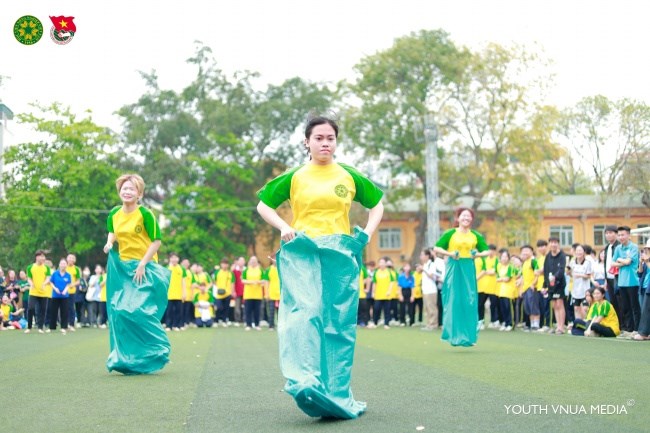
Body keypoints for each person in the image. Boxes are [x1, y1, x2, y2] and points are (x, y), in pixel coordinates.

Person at [256, 114, 383, 419]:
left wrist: (366, 234)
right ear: (307, 142)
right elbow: (263, 205)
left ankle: (336, 391)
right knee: (306, 310)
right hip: (304, 251)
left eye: (330, 138)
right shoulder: (296, 176)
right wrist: (284, 227)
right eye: (319, 138)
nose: (325, 143)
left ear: (336, 142)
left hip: (339, 253)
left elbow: (377, 204)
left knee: (337, 321)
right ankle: (306, 380)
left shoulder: (348, 175)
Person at [103, 173, 171, 375]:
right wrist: (110, 242)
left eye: (131, 189)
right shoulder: (114, 213)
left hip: (145, 267)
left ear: (139, 194)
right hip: (123, 268)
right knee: (118, 311)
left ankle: (158, 348)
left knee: (137, 310)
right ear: (119, 192)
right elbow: (113, 231)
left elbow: (156, 241)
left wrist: (142, 264)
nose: (127, 191)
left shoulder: (145, 214)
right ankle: (126, 359)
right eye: (124, 188)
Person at [433, 208, 489, 346]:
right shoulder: (450, 233)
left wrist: (477, 254)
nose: (466, 218)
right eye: (463, 215)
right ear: (458, 218)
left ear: (472, 219)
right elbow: (436, 248)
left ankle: (469, 337)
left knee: (470, 300)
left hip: (468, 267)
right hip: (454, 266)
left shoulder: (475, 235)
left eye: (469, 216)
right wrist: (450, 254)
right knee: (454, 299)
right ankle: (453, 335)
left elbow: (486, 251)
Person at [611, 226, 640, 335]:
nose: (621, 237)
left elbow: (628, 262)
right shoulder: (618, 248)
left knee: (635, 306)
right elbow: (612, 263)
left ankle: (637, 329)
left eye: (623, 235)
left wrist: (619, 260)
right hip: (622, 282)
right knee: (626, 307)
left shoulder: (634, 247)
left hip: (633, 281)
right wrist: (622, 262)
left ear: (628, 235)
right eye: (619, 235)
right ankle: (629, 329)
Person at [543, 237, 567, 334]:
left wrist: (555, 277)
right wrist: (545, 284)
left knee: (559, 304)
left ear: (558, 244)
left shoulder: (562, 255)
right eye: (551, 242)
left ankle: (561, 327)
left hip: (559, 284)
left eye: (555, 242)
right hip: (550, 284)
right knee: (554, 305)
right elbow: (545, 270)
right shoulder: (548, 256)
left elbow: (561, 269)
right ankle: (558, 326)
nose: (553, 244)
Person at [25, 250, 52, 334]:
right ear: (37, 257)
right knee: (31, 308)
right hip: (33, 292)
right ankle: (29, 327)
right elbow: (29, 278)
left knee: (43, 310)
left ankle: (40, 327)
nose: (43, 258)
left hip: (44, 292)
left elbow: (48, 278)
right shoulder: (30, 267)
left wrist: (44, 283)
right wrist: (31, 284)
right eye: (41, 256)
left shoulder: (46, 268)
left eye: (44, 256)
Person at [602, 224, 622, 325]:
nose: (608, 235)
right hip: (609, 278)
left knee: (620, 302)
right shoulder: (607, 247)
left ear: (616, 234)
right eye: (606, 233)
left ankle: (625, 326)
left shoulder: (619, 246)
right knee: (613, 302)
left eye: (610, 233)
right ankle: (617, 325)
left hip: (617, 278)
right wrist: (606, 279)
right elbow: (606, 264)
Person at [47, 258, 72, 334]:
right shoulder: (55, 274)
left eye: (64, 264)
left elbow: (68, 284)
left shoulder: (68, 275)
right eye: (61, 264)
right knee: (53, 311)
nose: (63, 265)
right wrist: (55, 288)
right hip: (55, 296)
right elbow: (51, 282)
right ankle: (52, 327)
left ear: (66, 265)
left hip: (65, 296)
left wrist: (65, 290)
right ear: (59, 265)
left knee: (64, 312)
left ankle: (64, 327)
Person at [476, 245, 498, 330]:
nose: (490, 252)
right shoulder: (484, 259)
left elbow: (493, 271)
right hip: (483, 286)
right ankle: (481, 321)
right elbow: (483, 270)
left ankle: (493, 321)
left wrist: (486, 272)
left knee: (494, 304)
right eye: (489, 250)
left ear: (495, 251)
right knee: (480, 304)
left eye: (492, 250)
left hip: (493, 286)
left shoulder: (497, 260)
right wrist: (486, 272)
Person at [242, 256, 266, 331]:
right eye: (252, 260)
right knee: (248, 310)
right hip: (248, 294)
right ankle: (248, 324)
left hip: (257, 294)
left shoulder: (260, 270)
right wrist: (251, 282)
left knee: (257, 311)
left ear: (257, 262)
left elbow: (264, 280)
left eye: (254, 261)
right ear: (249, 261)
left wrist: (258, 282)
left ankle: (257, 324)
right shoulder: (246, 270)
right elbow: (243, 280)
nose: (253, 262)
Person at [568, 244, 592, 321]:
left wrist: (580, 275)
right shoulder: (572, 262)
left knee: (585, 308)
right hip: (575, 289)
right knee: (576, 308)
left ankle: (585, 323)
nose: (578, 252)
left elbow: (589, 275)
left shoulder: (587, 262)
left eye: (580, 250)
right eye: (577, 251)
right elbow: (570, 274)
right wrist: (568, 272)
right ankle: (578, 324)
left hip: (585, 289)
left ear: (584, 252)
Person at [519, 245, 540, 331]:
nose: (525, 252)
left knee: (534, 306)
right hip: (525, 288)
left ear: (531, 251)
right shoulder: (525, 263)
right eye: (523, 251)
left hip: (531, 287)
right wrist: (521, 289)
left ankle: (536, 324)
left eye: (526, 250)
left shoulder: (533, 261)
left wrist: (533, 284)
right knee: (528, 307)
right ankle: (532, 324)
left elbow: (537, 274)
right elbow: (523, 277)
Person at [369, 258, 394, 329]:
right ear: (379, 264)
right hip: (378, 295)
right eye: (380, 262)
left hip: (386, 295)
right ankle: (375, 323)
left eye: (383, 262)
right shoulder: (376, 272)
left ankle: (386, 324)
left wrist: (389, 291)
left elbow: (392, 282)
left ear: (385, 264)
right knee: (376, 309)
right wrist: (373, 292)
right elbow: (374, 283)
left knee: (387, 310)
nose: (382, 264)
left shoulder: (389, 272)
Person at [166, 252, 187, 332]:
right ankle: (168, 326)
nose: (174, 259)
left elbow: (184, 281)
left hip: (179, 294)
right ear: (169, 259)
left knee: (179, 311)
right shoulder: (167, 268)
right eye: (172, 258)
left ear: (178, 259)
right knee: (169, 311)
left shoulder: (182, 269)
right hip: (169, 294)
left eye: (176, 257)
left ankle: (177, 325)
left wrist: (184, 293)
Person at [633, 240, 650, 340]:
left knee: (646, 311)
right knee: (644, 310)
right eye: (646, 249)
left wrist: (647, 261)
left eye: (648, 249)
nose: (646, 250)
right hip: (644, 287)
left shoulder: (648, 260)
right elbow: (639, 273)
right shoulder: (646, 260)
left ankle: (643, 333)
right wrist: (641, 262)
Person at [496, 250, 516, 331]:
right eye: (502, 257)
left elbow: (507, 279)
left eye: (506, 257)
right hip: (501, 291)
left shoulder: (511, 267)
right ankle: (505, 322)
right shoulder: (499, 267)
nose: (504, 258)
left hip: (509, 291)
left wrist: (501, 279)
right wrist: (501, 279)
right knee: (503, 308)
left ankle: (510, 323)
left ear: (508, 258)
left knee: (508, 307)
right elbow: (497, 277)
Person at [420, 249, 439, 331]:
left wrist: (424, 269)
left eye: (422, 255)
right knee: (427, 308)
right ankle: (428, 323)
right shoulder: (424, 265)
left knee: (432, 308)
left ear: (427, 256)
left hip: (431, 290)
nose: (421, 257)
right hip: (425, 290)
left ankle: (433, 324)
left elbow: (432, 276)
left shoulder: (432, 264)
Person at [213, 258, 235, 327]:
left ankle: (224, 320)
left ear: (228, 265)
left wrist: (232, 291)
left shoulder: (230, 273)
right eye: (223, 264)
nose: (224, 265)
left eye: (226, 264)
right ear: (221, 264)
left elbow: (232, 283)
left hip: (227, 293)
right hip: (219, 293)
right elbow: (214, 281)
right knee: (219, 307)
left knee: (226, 308)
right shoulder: (217, 272)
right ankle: (216, 320)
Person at [65, 254, 82, 331]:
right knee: (64, 308)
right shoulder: (63, 267)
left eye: (72, 258)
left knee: (71, 307)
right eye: (69, 258)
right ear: (67, 259)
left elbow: (78, 281)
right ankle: (64, 323)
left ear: (74, 260)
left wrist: (73, 284)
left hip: (72, 291)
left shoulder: (76, 269)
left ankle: (71, 324)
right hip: (63, 291)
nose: (71, 259)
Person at [265, 257, 281, 330]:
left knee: (280, 312)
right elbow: (266, 282)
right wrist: (267, 294)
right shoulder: (268, 270)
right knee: (271, 311)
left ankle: (280, 325)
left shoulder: (281, 269)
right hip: (271, 294)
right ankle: (271, 325)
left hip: (280, 294)